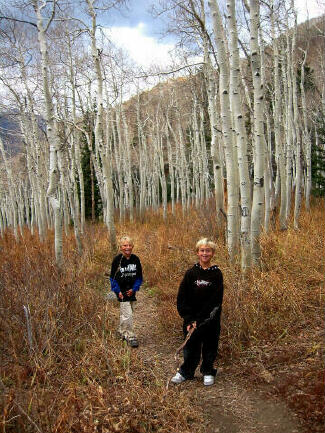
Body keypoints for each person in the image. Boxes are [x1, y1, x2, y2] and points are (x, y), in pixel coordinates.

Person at [171, 238, 224, 386]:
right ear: (197, 252)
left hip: (210, 320)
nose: (205, 253)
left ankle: (207, 371)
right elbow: (182, 297)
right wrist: (188, 318)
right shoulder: (191, 273)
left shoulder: (217, 274)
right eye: (202, 250)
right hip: (191, 319)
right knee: (190, 346)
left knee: (210, 345)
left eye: (208, 250)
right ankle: (186, 372)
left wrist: (200, 320)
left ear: (212, 253)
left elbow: (215, 301)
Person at [110, 236, 143, 348]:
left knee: (128, 312)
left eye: (129, 245)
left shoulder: (136, 259)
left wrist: (134, 289)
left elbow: (139, 277)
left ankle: (121, 331)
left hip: (132, 291)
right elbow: (112, 278)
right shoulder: (117, 260)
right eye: (125, 245)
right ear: (120, 247)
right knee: (127, 314)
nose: (127, 247)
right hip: (121, 292)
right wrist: (117, 290)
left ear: (132, 246)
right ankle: (130, 336)